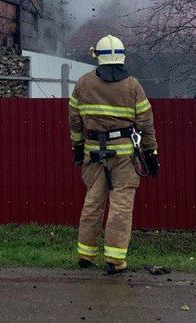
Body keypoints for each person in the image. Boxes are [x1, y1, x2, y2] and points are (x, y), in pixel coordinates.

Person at [67, 34, 159, 275]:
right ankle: (115, 260)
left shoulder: (83, 83)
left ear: (97, 56)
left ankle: (86, 255)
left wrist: (78, 148)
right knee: (121, 207)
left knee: (93, 203)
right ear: (122, 56)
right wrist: (151, 153)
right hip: (124, 158)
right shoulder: (133, 85)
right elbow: (146, 124)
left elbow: (75, 121)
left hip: (94, 154)